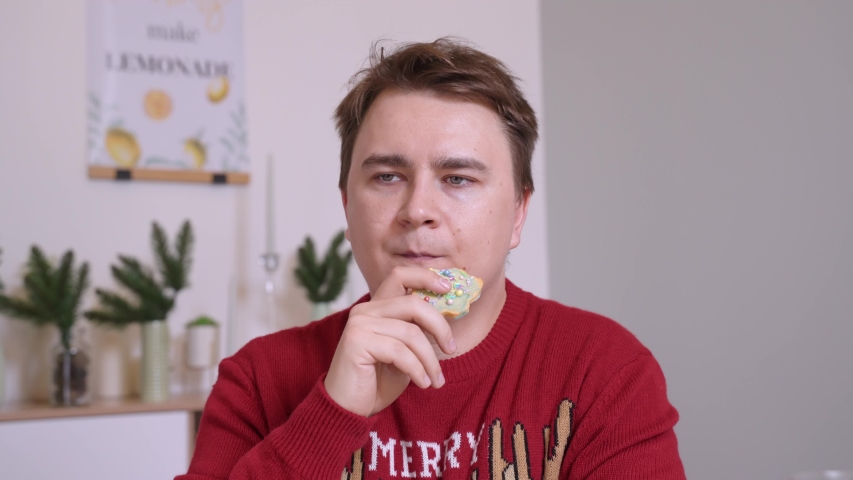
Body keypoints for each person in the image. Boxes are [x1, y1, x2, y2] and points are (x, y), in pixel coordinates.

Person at [177, 38, 685, 480]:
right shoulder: (258, 380)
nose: (417, 210)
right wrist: (332, 415)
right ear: (347, 207)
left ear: (518, 214)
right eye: (387, 177)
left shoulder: (606, 374)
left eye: (458, 179)